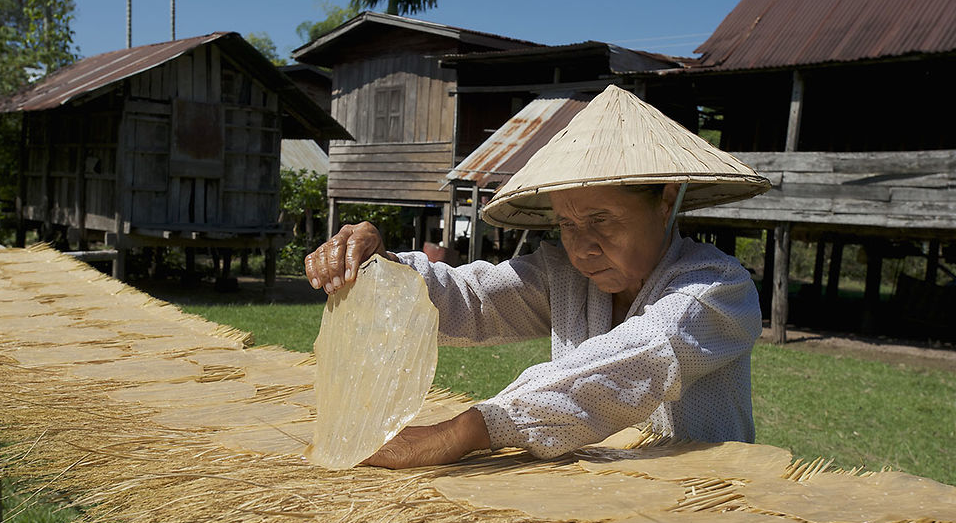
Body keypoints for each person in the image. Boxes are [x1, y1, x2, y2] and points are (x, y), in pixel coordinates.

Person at [305, 86, 770, 469]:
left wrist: (470, 429)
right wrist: (383, 269)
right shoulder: (563, 277)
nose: (582, 246)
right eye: (567, 224)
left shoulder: (716, 289)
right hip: (598, 500)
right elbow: (473, 299)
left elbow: (638, 357)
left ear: (666, 201)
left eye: (603, 220)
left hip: (702, 499)